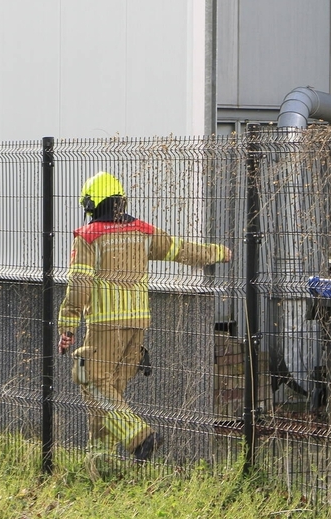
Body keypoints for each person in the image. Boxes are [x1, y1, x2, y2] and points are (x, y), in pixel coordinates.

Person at [57, 171, 232, 464]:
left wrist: (68, 325)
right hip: (137, 327)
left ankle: (140, 437)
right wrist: (216, 252)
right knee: (110, 397)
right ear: (120, 202)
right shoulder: (142, 232)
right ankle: (101, 463)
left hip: (105, 327)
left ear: (92, 205)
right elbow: (180, 249)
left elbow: (80, 285)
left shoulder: (88, 237)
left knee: (88, 378)